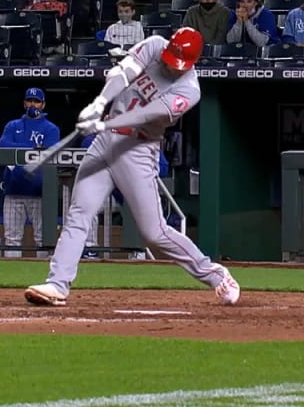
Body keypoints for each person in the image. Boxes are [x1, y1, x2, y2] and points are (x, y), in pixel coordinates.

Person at [24, 28, 241, 307]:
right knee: (79, 212)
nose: (170, 65)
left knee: (154, 233)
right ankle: (58, 283)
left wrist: (105, 122)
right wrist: (99, 104)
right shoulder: (154, 46)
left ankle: (216, 275)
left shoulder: (189, 89)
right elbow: (122, 73)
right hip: (104, 143)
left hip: (137, 150)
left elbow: (150, 113)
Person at [0, 87, 60, 258]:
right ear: (25, 103)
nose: (33, 104)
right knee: (12, 240)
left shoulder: (51, 129)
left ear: (43, 104)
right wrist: (33, 150)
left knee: (42, 239)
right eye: (30, 101)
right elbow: (4, 146)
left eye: (37, 101)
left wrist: (20, 154)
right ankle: (12, 278)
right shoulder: (13, 126)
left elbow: (47, 155)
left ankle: (43, 279)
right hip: (14, 191)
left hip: (40, 193)